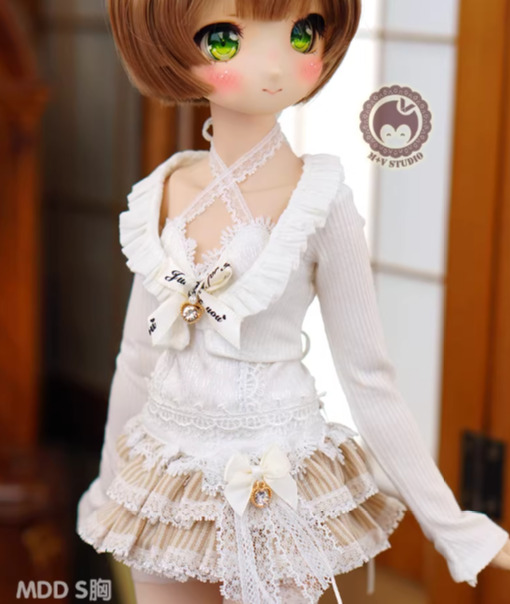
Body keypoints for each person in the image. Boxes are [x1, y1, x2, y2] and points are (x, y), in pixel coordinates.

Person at [76, 1, 510, 602]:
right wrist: (108, 487)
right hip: (170, 474)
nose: (275, 65)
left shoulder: (319, 201)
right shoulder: (165, 192)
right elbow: (137, 358)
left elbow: (369, 379)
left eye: (303, 33)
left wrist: (452, 526)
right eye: (225, 38)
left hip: (278, 473)